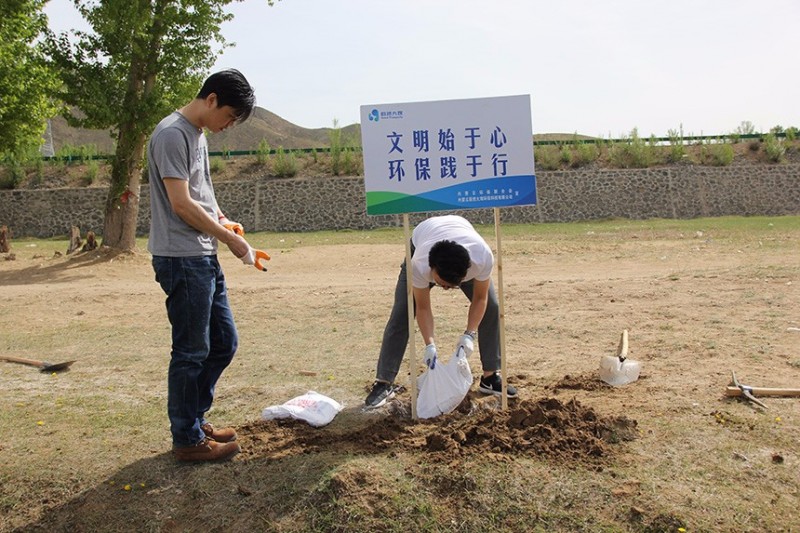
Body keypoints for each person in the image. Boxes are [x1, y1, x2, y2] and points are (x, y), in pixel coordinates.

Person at [147, 69, 258, 462]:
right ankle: (186, 439)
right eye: (229, 116)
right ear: (211, 99)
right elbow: (180, 203)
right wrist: (228, 239)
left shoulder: (198, 136)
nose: (228, 126)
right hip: (181, 257)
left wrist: (224, 222)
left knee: (224, 342)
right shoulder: (171, 134)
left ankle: (194, 419)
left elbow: (202, 195)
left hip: (202, 253)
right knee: (191, 351)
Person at [365, 214, 518, 408]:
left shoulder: (482, 257)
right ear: (432, 269)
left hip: (461, 236)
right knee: (402, 312)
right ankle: (383, 383)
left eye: (451, 285)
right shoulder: (419, 264)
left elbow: (481, 299)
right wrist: (430, 344)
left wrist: (469, 334)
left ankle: (490, 376)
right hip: (422, 239)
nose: (444, 289)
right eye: (441, 283)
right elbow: (422, 306)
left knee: (493, 307)